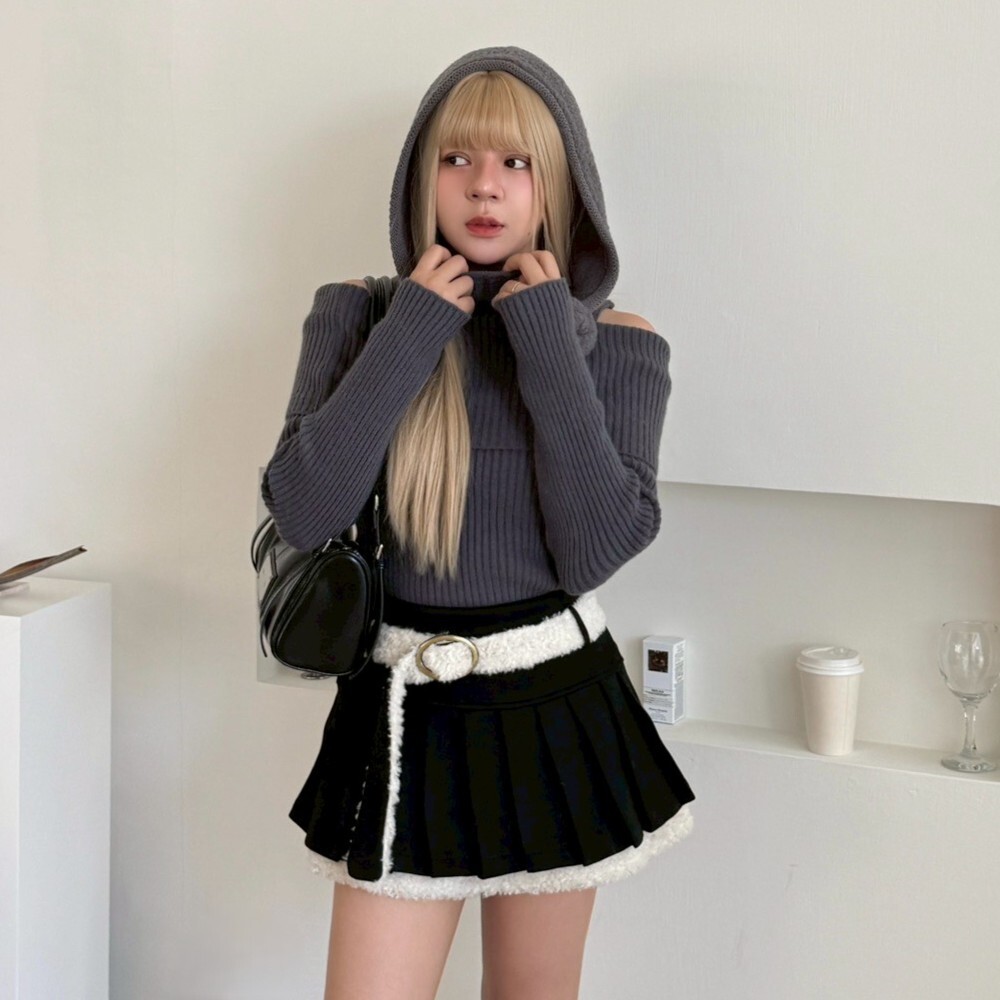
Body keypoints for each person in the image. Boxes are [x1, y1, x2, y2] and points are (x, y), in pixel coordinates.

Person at [261, 45, 695, 1000]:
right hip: (404, 710)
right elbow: (305, 508)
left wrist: (547, 343)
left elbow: (595, 548)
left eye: (516, 162)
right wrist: (413, 330)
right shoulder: (360, 314)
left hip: (557, 706)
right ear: (424, 178)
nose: (484, 187)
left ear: (559, 184)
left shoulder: (618, 343)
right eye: (457, 159)